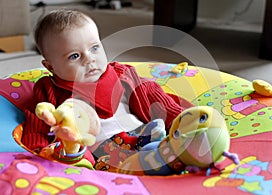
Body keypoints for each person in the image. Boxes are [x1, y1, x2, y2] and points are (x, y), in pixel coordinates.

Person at [21, 8, 192, 169]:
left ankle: (165, 155)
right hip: (104, 154)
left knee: (170, 143)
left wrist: (186, 121)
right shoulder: (49, 90)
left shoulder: (122, 74)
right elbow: (38, 125)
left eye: (94, 48)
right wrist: (38, 154)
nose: (90, 60)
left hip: (145, 133)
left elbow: (153, 97)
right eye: (75, 56)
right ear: (51, 67)